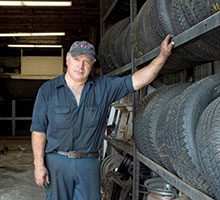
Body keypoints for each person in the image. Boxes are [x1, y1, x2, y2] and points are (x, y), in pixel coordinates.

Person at [30, 34, 174, 200]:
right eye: (77, 59)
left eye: (87, 61)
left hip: (88, 163)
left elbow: (137, 80)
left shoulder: (103, 87)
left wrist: (162, 56)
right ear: (67, 60)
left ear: (92, 65)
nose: (81, 66)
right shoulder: (48, 90)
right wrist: (38, 165)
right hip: (56, 161)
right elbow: (38, 129)